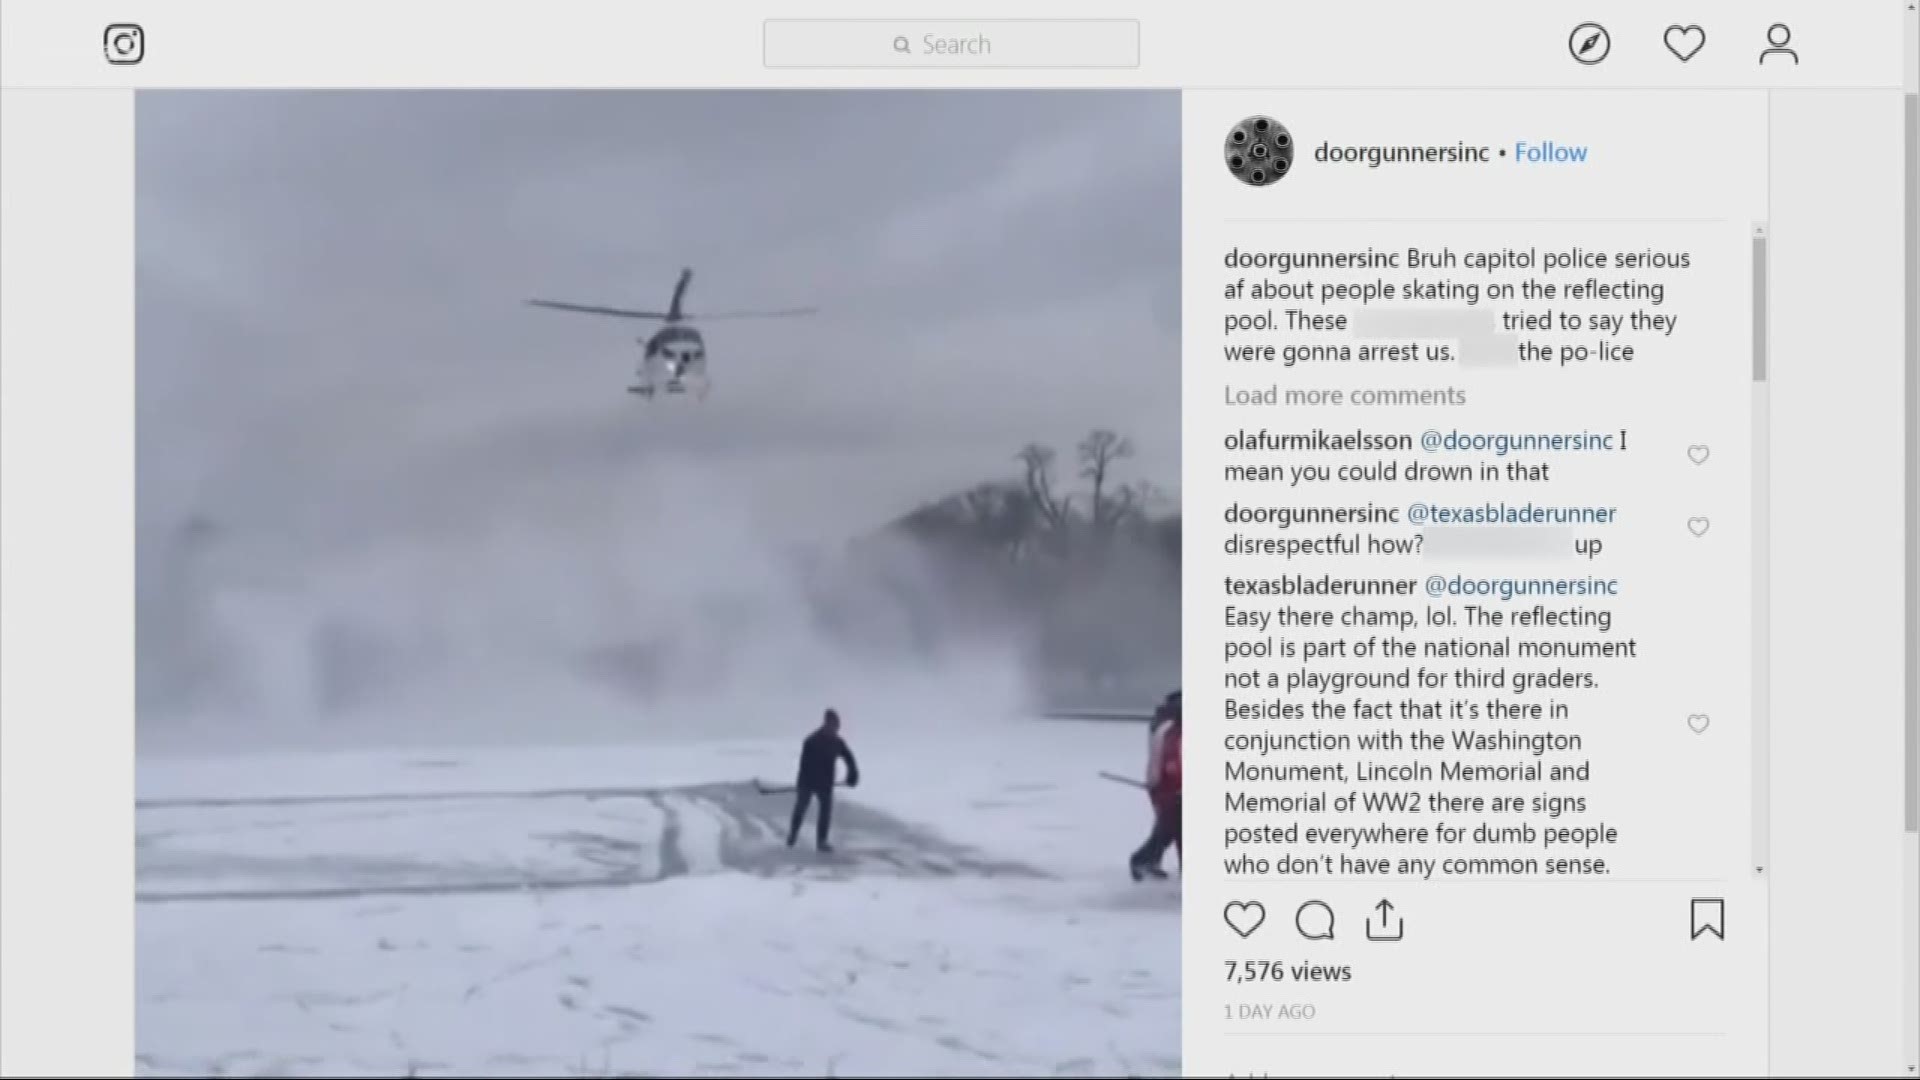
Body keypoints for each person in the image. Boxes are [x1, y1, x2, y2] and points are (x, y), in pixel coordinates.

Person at [788, 707, 859, 852]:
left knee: (825, 812)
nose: (835, 729)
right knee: (801, 807)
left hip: (825, 783)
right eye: (832, 726)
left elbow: (849, 759)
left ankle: (822, 841)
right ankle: (793, 834)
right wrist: (811, 780)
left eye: (836, 727)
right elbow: (804, 765)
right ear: (826, 724)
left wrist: (852, 774)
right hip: (807, 781)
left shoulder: (837, 742)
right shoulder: (811, 741)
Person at [1129, 690, 1182, 881]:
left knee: (1172, 827)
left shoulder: (1167, 724)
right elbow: (1168, 760)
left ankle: (1145, 861)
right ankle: (1142, 861)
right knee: (1171, 826)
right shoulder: (1169, 728)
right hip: (1168, 786)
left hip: (1169, 785)